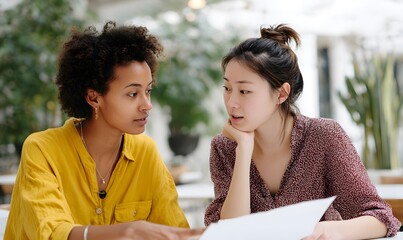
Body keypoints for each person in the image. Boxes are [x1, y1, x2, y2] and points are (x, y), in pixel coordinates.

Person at [5, 21, 204, 240]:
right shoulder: (43, 150)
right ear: (94, 97)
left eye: (147, 91)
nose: (147, 104)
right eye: (132, 94)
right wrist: (127, 231)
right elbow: (52, 233)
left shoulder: (145, 152)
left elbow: (174, 229)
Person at [204, 24, 401, 239]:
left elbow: (381, 218)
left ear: (281, 94)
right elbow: (229, 232)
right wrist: (243, 151)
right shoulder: (224, 147)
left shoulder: (324, 136)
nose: (231, 102)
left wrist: (331, 231)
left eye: (244, 91)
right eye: (227, 88)